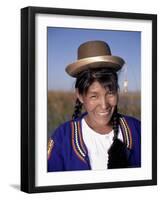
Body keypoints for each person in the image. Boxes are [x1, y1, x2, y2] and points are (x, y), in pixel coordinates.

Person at [48, 40, 141, 172]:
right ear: (80, 96)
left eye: (110, 93)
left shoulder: (138, 130)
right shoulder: (62, 138)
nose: (104, 105)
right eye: (94, 96)